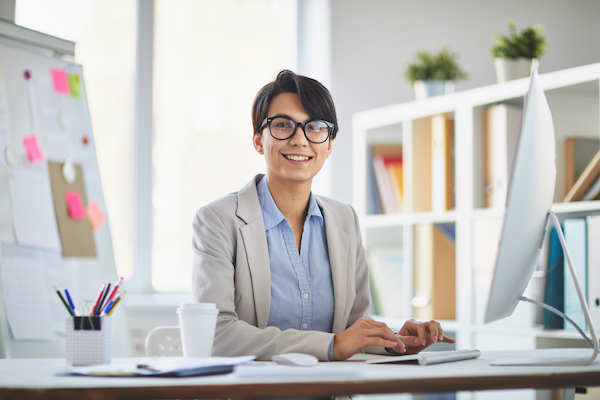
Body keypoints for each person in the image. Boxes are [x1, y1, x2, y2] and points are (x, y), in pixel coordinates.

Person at [192, 70, 455, 361]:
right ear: (258, 139)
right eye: (283, 125)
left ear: (328, 145)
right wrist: (330, 346)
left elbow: (354, 328)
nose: (300, 140)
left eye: (315, 127)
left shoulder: (344, 220)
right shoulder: (217, 220)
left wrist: (395, 341)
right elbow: (216, 335)